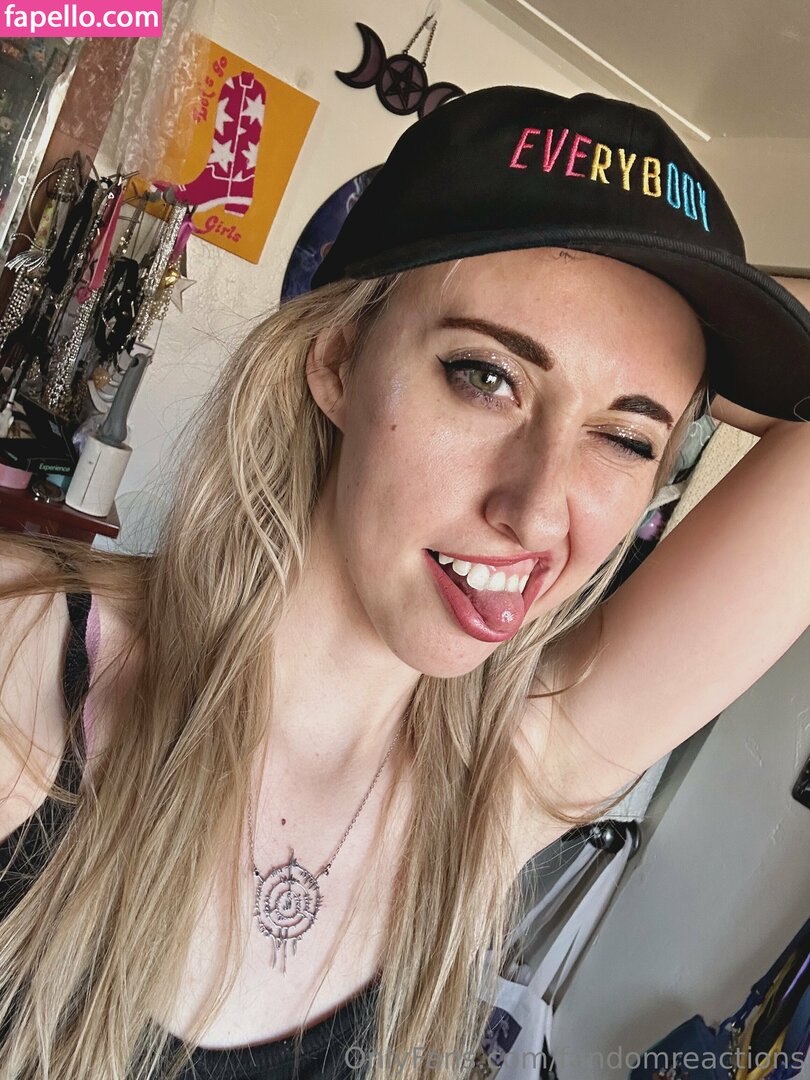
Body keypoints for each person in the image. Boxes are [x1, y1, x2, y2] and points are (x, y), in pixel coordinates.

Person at [1, 84, 809, 1080]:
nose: (537, 512)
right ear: (339, 361)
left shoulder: (499, 785)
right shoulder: (24, 656)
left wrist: (706, 325)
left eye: (628, 437)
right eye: (487, 376)